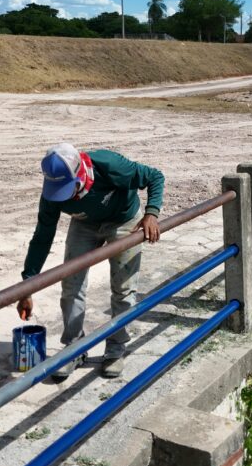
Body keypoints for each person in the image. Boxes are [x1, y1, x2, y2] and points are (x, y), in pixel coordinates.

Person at [17, 144, 164, 379]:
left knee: (123, 289)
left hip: (123, 219)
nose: (66, 195)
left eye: (69, 188)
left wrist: (152, 213)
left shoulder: (109, 165)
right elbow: (42, 236)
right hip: (84, 224)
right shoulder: (52, 193)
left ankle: (116, 350)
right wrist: (28, 284)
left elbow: (154, 176)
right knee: (71, 285)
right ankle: (74, 349)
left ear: (80, 173)